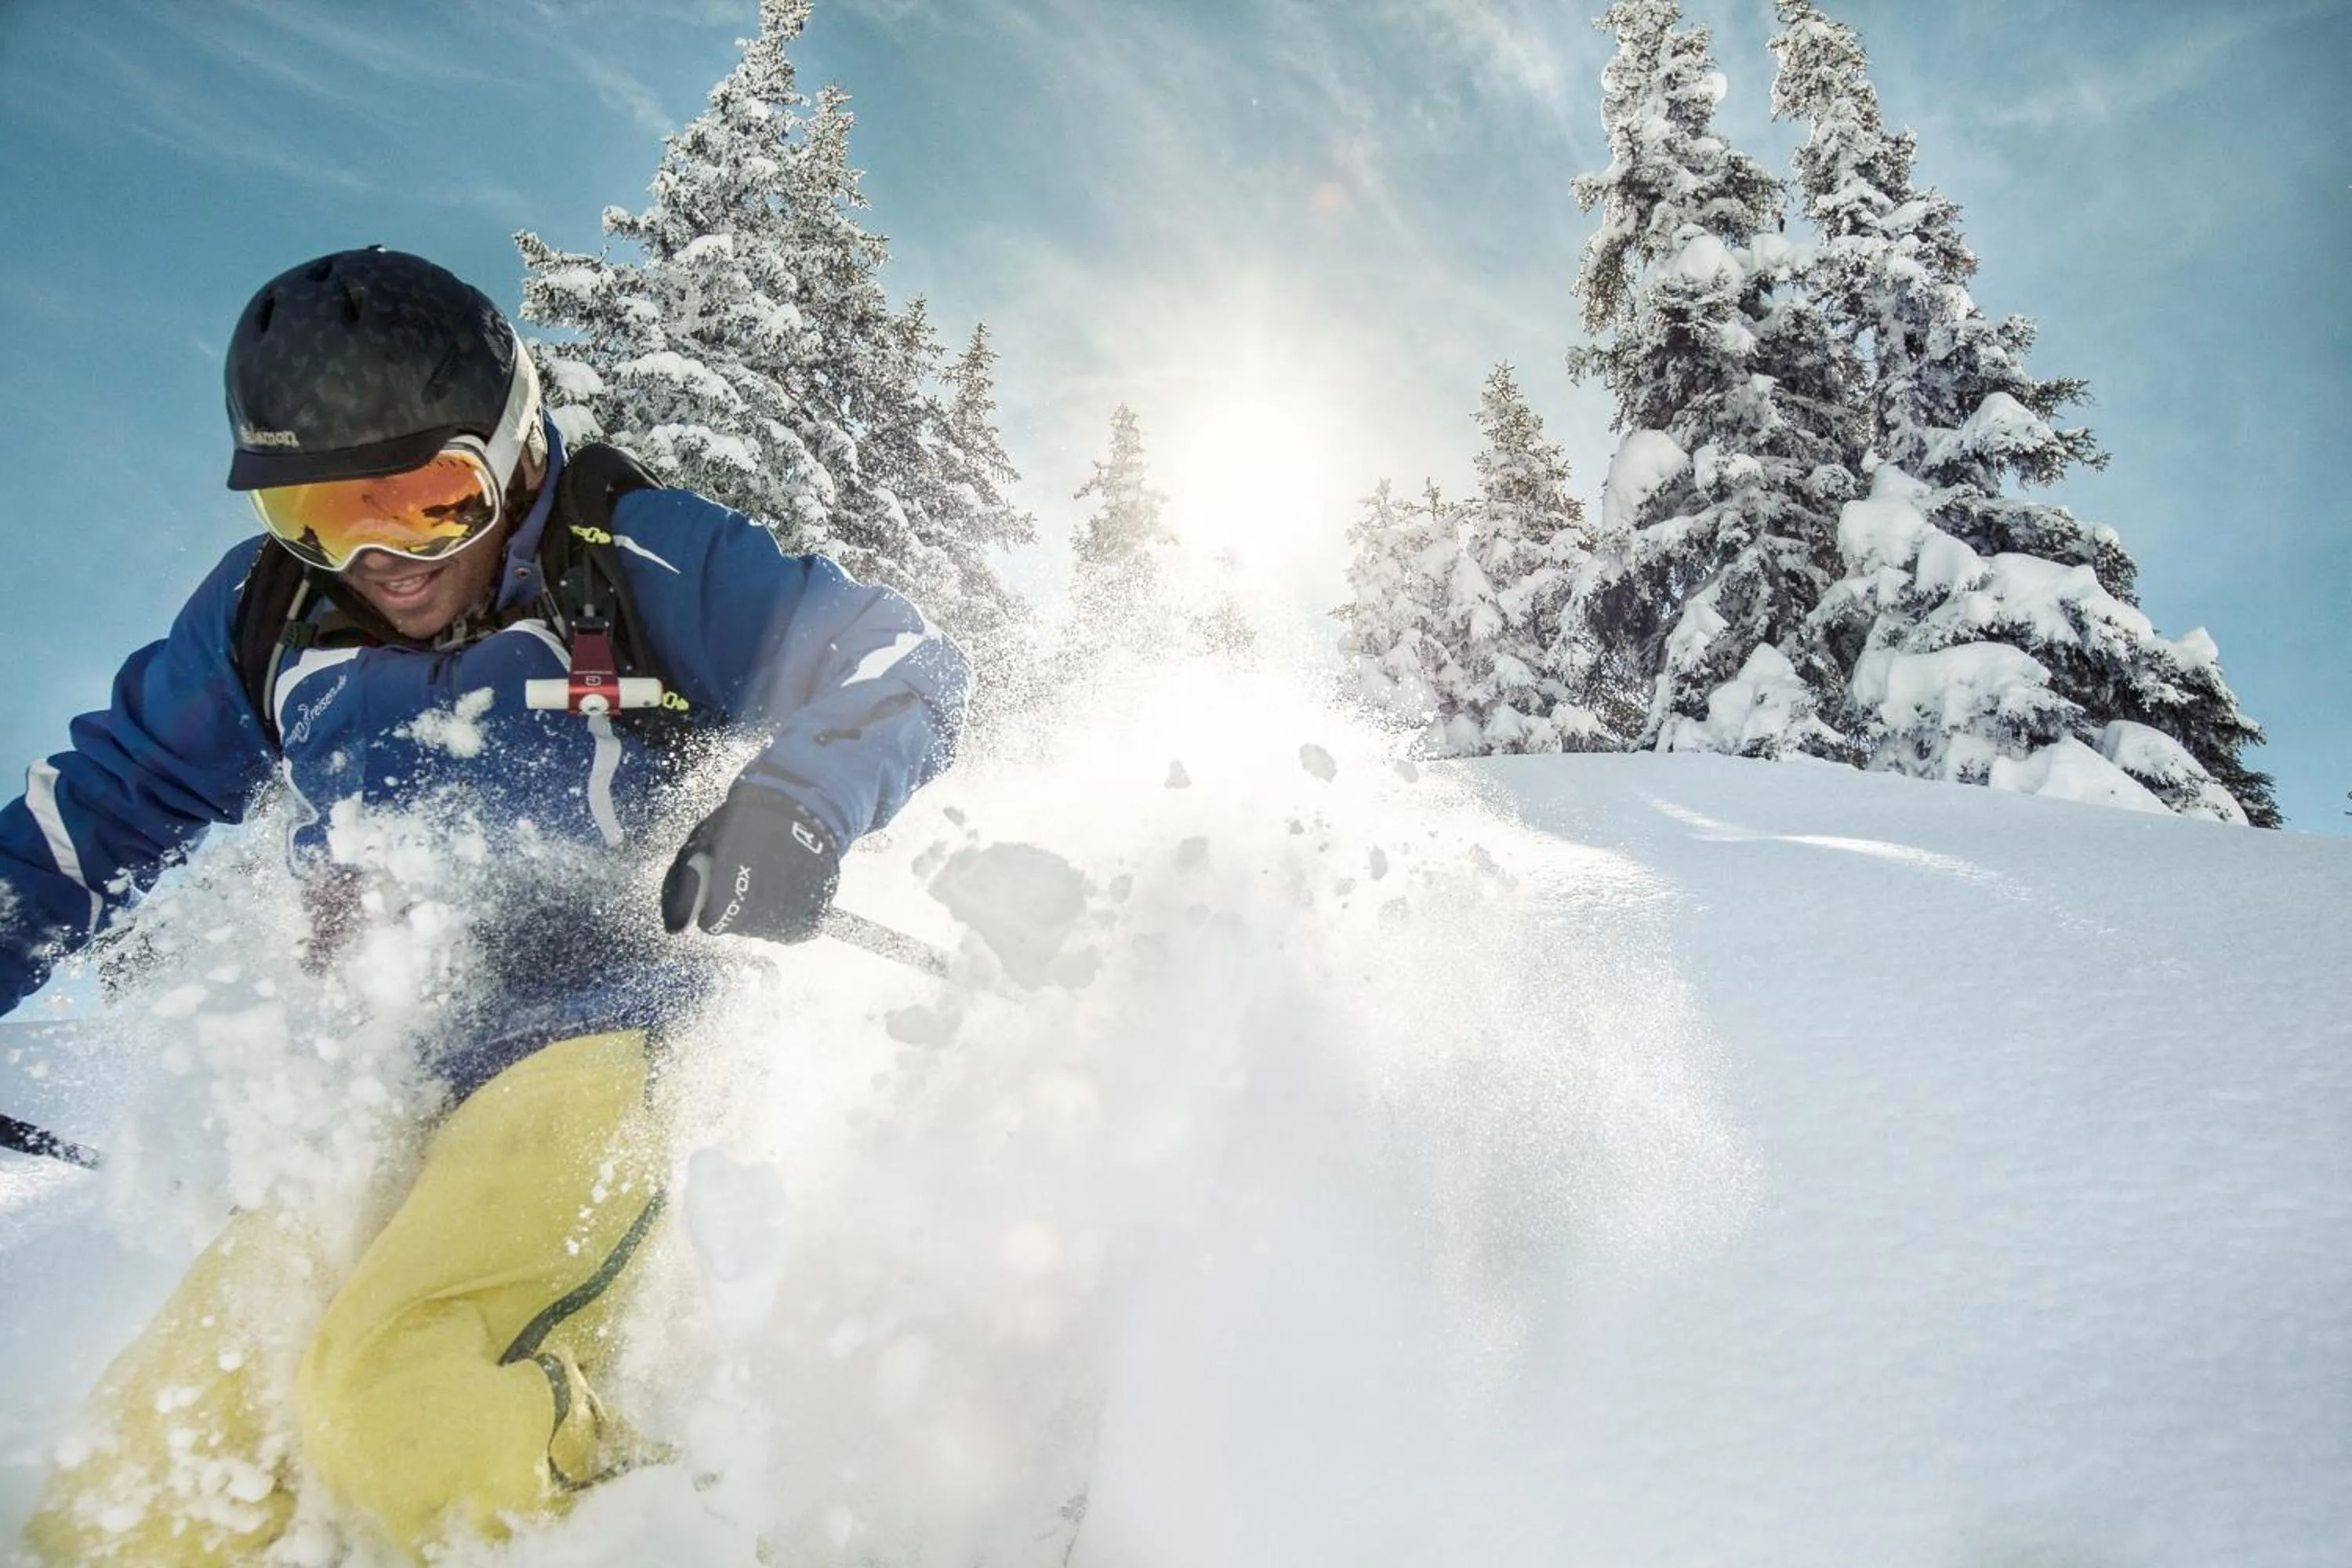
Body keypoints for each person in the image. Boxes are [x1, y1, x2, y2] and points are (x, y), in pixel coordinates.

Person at [4, 247, 969, 1563]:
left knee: (400, 1403)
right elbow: (99, 810)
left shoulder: (621, 553)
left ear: (510, 450)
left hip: (604, 1045)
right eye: (315, 515)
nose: (378, 561)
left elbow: (900, 660)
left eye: (424, 503)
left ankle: (662, 1523)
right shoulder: (267, 616)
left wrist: (796, 806)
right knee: (143, 1479)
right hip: (373, 1094)